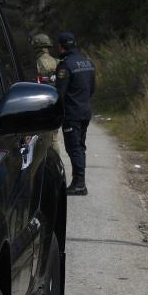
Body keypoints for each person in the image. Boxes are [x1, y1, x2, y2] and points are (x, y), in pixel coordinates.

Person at [54, 32, 94, 196]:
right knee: (80, 146)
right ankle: (79, 182)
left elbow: (59, 93)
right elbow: (92, 89)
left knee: (74, 148)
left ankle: (79, 184)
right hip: (85, 111)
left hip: (72, 114)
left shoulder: (65, 65)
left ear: (61, 46)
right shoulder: (88, 62)